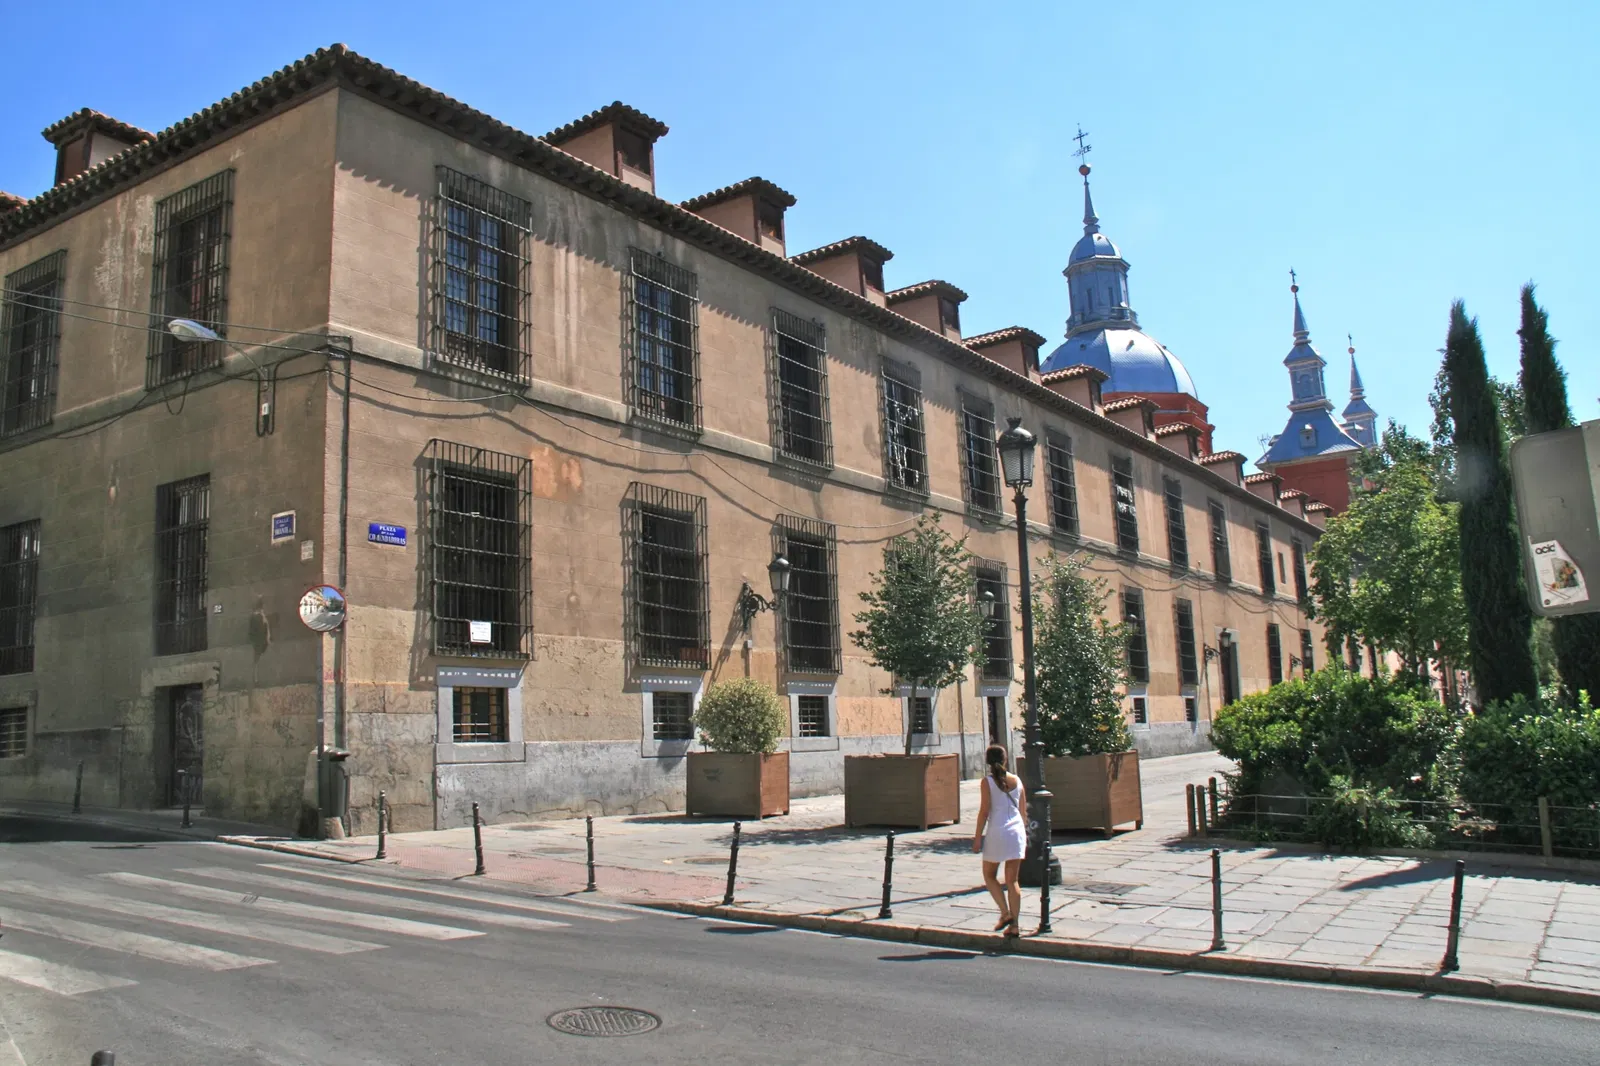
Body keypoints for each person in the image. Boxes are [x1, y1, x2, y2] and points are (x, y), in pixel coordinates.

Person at [972, 744, 1027, 935]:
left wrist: (978, 837)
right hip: (1016, 831)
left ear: (987, 761)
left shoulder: (987, 782)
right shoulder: (1017, 780)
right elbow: (1023, 812)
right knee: (1013, 881)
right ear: (1006, 759)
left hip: (997, 831)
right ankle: (1015, 926)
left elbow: (984, 811)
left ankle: (1005, 913)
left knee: (989, 875)